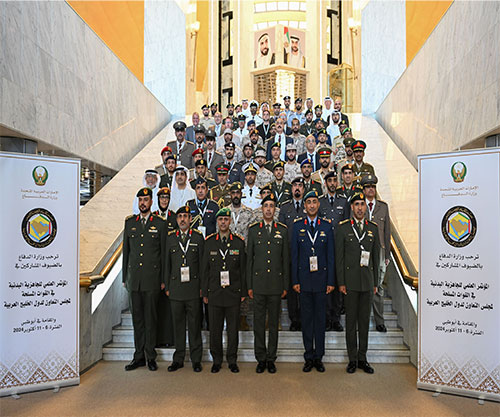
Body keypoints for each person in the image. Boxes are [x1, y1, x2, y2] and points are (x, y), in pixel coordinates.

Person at [335, 192, 380, 375]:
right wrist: (341, 282)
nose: (360, 208)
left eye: (362, 204)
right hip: (350, 283)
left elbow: (376, 258)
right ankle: (352, 359)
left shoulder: (373, 228)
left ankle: (363, 358)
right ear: (352, 207)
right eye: (357, 205)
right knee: (351, 323)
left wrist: (375, 282)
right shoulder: (343, 228)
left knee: (364, 323)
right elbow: (339, 258)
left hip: (367, 282)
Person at [122, 188, 166, 372]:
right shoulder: (130, 223)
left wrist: (163, 279)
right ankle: (138, 356)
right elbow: (126, 252)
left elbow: (163, 254)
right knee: (137, 320)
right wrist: (125, 277)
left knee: (150, 319)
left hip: (152, 280)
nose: (143, 203)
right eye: (140, 200)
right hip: (134, 281)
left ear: (151, 202)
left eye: (146, 199)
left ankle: (150, 356)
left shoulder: (160, 224)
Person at [291, 190, 335, 372]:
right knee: (307, 320)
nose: (311, 205)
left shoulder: (326, 226)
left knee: (320, 320)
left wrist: (331, 281)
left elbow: (331, 256)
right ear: (305, 205)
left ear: (318, 204)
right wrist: (295, 280)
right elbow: (294, 256)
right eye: (308, 202)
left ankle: (319, 356)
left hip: (322, 281)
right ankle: (309, 356)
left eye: (314, 202)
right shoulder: (297, 226)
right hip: (304, 281)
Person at [247, 194, 289, 373]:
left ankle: (271, 358)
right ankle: (261, 358)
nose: (269, 209)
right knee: (258, 323)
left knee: (273, 324)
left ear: (275, 210)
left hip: (275, 285)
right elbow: (249, 260)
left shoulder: (283, 230)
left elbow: (285, 260)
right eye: (266, 206)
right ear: (262, 209)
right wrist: (249, 285)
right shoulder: (253, 230)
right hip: (258, 284)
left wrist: (285, 285)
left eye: (272, 206)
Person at [202, 208, 246, 373]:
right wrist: (205, 292)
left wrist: (243, 292)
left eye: (226, 219)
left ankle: (232, 360)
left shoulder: (238, 242)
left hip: (233, 292)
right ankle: (217, 360)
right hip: (214, 292)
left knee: (233, 329)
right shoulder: (209, 242)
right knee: (215, 329)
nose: (223, 222)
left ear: (230, 221)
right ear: (217, 222)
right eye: (220, 219)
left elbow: (243, 270)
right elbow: (204, 270)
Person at [165, 206, 205, 373]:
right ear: (177, 219)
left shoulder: (198, 237)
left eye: (185, 216)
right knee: (178, 326)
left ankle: (196, 359)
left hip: (193, 289)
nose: (182, 219)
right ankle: (178, 359)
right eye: (180, 216)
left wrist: (202, 287)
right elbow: (166, 263)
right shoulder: (170, 238)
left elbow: (203, 265)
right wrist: (167, 286)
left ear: (190, 219)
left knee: (194, 326)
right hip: (176, 288)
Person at [319, 171, 350, 332]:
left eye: (334, 180)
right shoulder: (320, 202)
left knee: (338, 285)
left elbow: (347, 225)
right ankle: (325, 319)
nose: (332, 183)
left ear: (337, 183)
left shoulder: (344, 202)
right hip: (323, 249)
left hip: (339, 249)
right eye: (329, 181)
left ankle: (336, 319)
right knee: (325, 284)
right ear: (325, 183)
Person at [362, 174, 391, 333]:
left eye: (373, 186)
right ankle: (363, 320)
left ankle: (380, 321)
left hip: (379, 251)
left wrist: (387, 255)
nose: (371, 189)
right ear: (363, 189)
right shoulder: (359, 206)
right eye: (367, 187)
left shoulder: (383, 207)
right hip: (364, 251)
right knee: (364, 286)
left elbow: (387, 232)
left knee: (378, 287)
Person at [278, 177, 305, 331]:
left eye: (300, 185)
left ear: (303, 189)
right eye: (295, 185)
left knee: (305, 287)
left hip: (305, 254)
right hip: (289, 253)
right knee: (292, 287)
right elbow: (282, 231)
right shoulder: (285, 207)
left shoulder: (309, 205)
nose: (297, 188)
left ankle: (305, 317)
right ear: (291, 188)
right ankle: (294, 319)